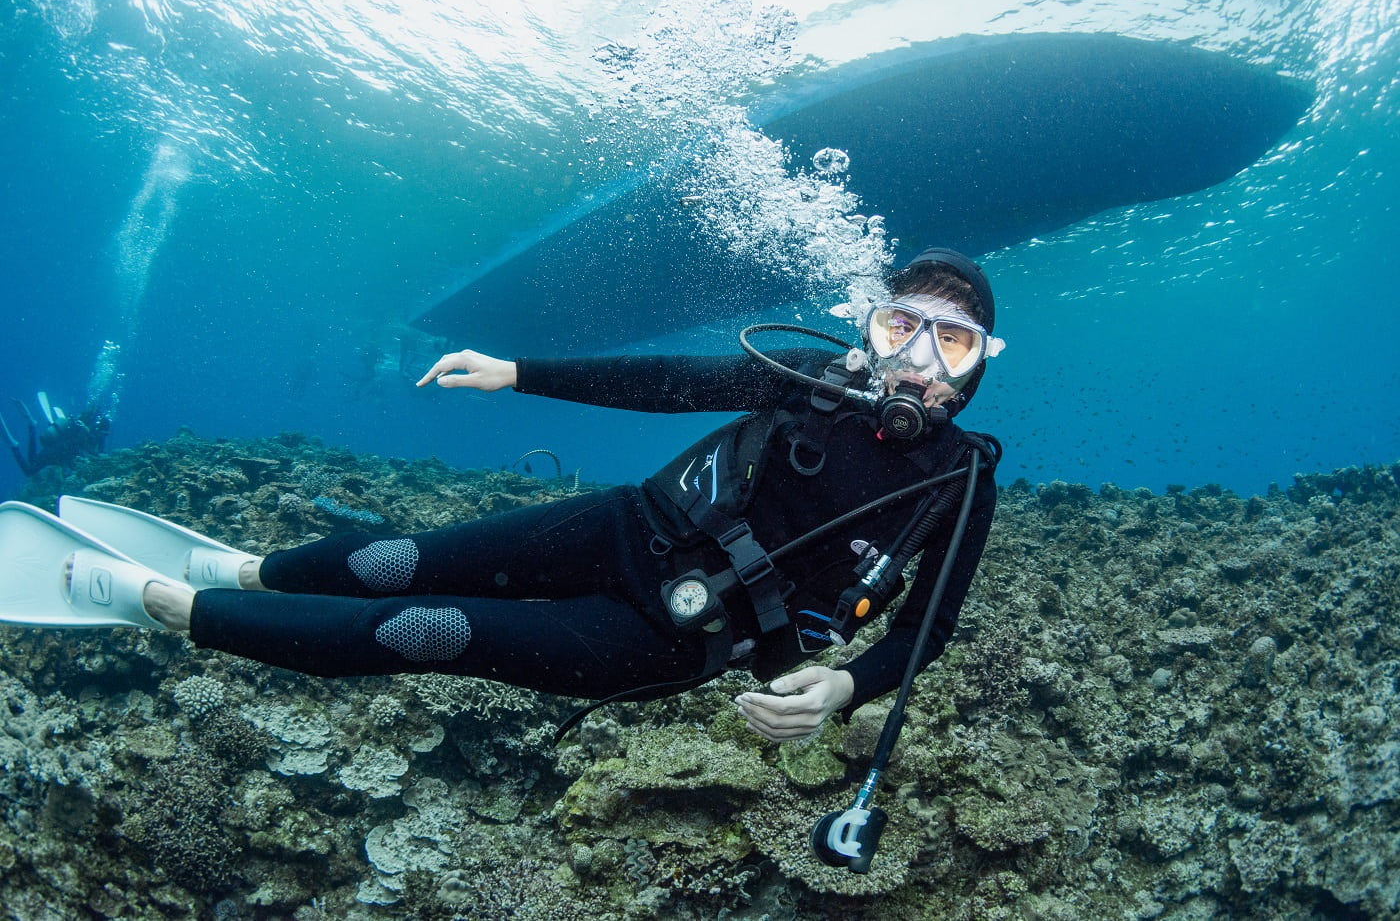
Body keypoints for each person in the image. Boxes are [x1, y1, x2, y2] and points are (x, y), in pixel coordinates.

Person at [0, 248, 1005, 744]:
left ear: (973, 367)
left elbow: (929, 628)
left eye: (948, 341)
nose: (916, 360)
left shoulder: (959, 483)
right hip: (623, 526)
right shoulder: (800, 378)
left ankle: (166, 605)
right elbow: (662, 380)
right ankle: (244, 567)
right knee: (406, 558)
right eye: (898, 328)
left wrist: (845, 688)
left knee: (427, 627)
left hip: (672, 639)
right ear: (867, 328)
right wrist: (517, 370)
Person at [2, 392, 112, 477]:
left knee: (32, 462)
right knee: (29, 471)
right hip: (61, 450)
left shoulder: (86, 424)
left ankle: (31, 427)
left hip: (59, 446)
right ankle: (16, 444)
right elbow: (94, 452)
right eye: (104, 434)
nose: (104, 437)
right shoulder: (93, 434)